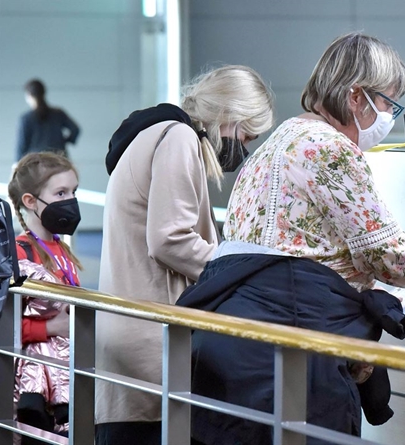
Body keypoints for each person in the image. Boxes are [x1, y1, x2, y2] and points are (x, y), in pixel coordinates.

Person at [181, 32, 405, 445]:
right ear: (357, 97)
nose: (389, 114)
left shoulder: (277, 142)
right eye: (388, 102)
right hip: (290, 350)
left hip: (233, 348)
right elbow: (390, 258)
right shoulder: (330, 148)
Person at [95, 65, 274, 445]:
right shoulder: (178, 138)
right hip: (152, 334)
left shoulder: (155, 135)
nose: (244, 148)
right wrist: (238, 267)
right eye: (247, 135)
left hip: (130, 328)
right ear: (228, 116)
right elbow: (169, 239)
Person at [7, 152, 83, 440]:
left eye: (73, 191)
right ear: (30, 201)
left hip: (68, 373)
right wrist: (49, 328)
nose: (70, 201)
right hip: (31, 391)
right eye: (61, 192)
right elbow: (5, 327)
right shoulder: (20, 254)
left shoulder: (63, 251)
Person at [16, 79, 80, 162]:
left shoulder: (26, 118)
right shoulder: (58, 113)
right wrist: (63, 141)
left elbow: (22, 145)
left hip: (37, 161)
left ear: (29, 95)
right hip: (59, 158)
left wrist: (17, 163)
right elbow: (75, 129)